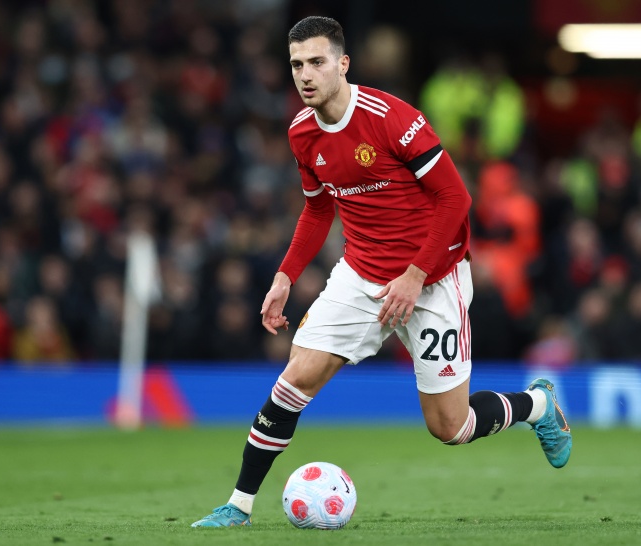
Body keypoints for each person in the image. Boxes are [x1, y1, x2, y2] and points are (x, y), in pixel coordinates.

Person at [191, 16, 572, 528]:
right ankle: (238, 506)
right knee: (294, 379)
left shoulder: (392, 118)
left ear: (343, 64)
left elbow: (456, 198)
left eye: (317, 62)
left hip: (433, 278)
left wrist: (415, 275)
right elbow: (318, 209)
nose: (306, 74)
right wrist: (284, 277)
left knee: (451, 427)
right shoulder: (302, 132)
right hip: (361, 274)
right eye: (297, 65)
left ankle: (536, 405)